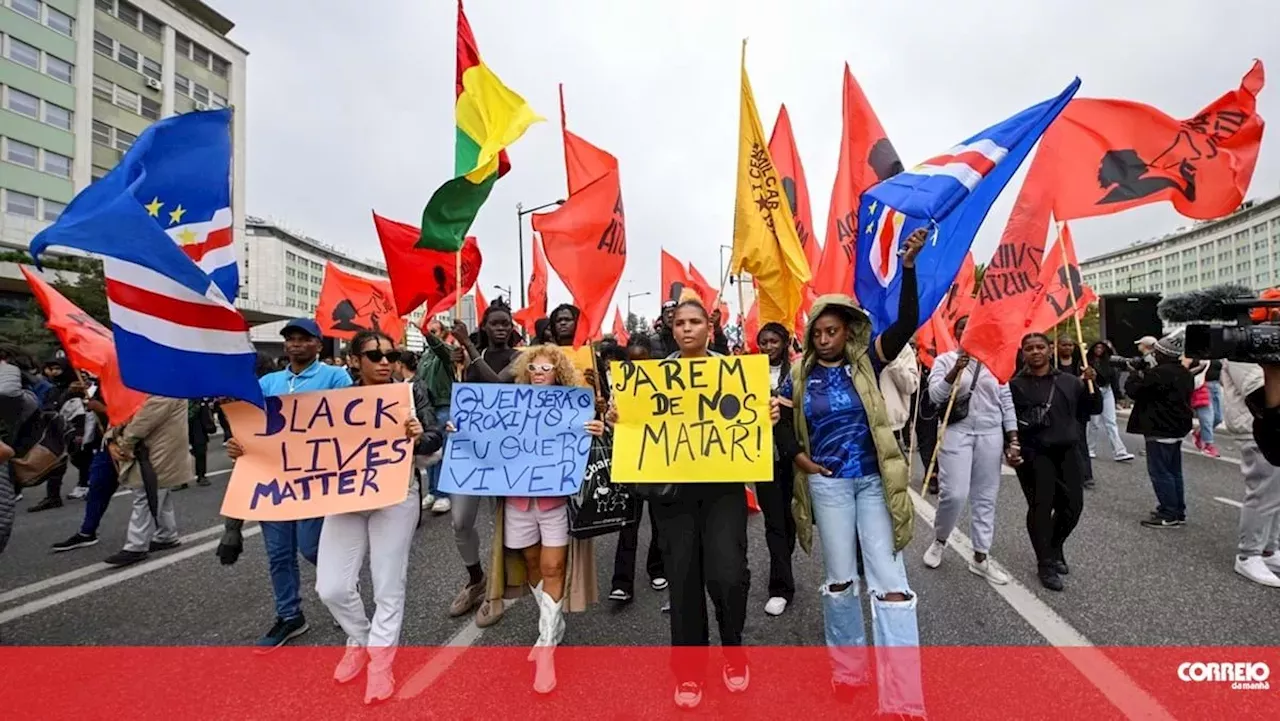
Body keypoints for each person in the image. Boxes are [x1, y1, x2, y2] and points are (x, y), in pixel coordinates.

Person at [776, 227, 926, 717]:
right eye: (818, 332)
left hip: (873, 484)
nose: (824, 339)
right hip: (829, 486)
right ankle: (848, 671)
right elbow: (783, 421)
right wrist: (799, 457)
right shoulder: (798, 374)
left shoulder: (868, 362)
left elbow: (907, 320)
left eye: (832, 331)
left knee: (890, 580)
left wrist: (907, 268)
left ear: (848, 332)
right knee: (840, 580)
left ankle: (903, 699)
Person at [609, 299, 773, 710]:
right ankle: (689, 672)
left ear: (709, 326)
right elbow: (635, 429)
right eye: (679, 322)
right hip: (673, 498)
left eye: (694, 321)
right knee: (683, 582)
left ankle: (733, 649)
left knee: (728, 575)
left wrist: (765, 415)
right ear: (671, 327)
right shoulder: (652, 378)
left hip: (723, 493)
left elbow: (751, 425)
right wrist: (620, 419)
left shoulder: (735, 374)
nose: (686, 329)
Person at [299, 329, 438, 705]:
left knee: (388, 584)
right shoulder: (337, 400)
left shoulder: (411, 392)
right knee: (331, 587)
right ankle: (361, 640)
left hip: (395, 496)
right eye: (374, 356)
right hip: (346, 497)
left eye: (390, 356)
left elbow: (434, 438)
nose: (384, 363)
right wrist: (245, 446)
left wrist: (420, 436)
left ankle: (380, 664)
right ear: (353, 361)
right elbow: (299, 444)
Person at [456, 344, 604, 693]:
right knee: (533, 564)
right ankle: (554, 626)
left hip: (555, 503)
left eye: (546, 368)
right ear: (525, 372)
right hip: (518, 504)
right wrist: (459, 428)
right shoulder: (510, 406)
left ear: (558, 373)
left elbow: (589, 447)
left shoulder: (573, 407)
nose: (539, 373)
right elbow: (485, 437)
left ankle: (546, 645)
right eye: (534, 368)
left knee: (553, 568)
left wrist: (597, 430)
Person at [221, 319, 354, 651]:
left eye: (303, 339)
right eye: (290, 339)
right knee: (279, 554)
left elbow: (350, 418)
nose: (296, 344)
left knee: (312, 548)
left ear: (318, 345)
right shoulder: (268, 382)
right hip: (275, 481)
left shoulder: (336, 378)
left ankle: (342, 598)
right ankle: (289, 615)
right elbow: (251, 428)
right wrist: (237, 443)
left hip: (316, 479)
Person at [923, 316, 1017, 584]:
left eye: (973, 329)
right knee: (954, 494)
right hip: (957, 432)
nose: (969, 333)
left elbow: (1006, 402)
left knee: (985, 496)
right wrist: (954, 371)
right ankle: (940, 540)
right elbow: (935, 397)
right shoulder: (944, 360)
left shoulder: (996, 362)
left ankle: (980, 557)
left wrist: (1013, 438)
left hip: (990, 433)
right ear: (958, 335)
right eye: (963, 330)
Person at [445, 300, 522, 626]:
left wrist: (467, 345)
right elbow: (463, 396)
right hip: (469, 448)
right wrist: (456, 363)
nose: (501, 328)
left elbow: (499, 385)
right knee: (461, 521)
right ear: (485, 327)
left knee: (502, 524)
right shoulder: (469, 355)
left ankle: (497, 592)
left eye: (506, 323)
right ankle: (476, 578)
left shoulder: (521, 357)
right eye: (495, 323)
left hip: (504, 451)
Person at [1006, 333, 1100, 591]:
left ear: (1050, 350)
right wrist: (1010, 448)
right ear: (1023, 353)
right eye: (1029, 348)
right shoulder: (1014, 385)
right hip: (1034, 454)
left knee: (1073, 507)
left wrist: (1093, 385)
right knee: (1041, 507)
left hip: (1068, 452)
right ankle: (1045, 563)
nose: (1035, 352)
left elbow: (1091, 410)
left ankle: (1055, 545)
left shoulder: (1071, 382)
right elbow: (1008, 421)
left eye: (1040, 347)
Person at [608, 339, 668, 604]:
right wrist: (610, 417)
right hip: (630, 462)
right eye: (632, 362)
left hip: (658, 462)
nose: (638, 367)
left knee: (659, 521)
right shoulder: (618, 389)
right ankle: (622, 582)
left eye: (643, 361)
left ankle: (657, 568)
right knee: (627, 523)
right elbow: (613, 425)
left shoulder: (666, 386)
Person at [102, 394, 190, 567]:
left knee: (146, 494)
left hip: (156, 453)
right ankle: (166, 535)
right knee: (159, 494)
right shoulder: (169, 387)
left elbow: (142, 422)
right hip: (160, 450)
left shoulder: (164, 391)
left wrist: (122, 442)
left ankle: (136, 546)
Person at [1219, 359, 1280, 586]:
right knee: (1264, 491)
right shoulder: (1243, 351)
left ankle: (1269, 549)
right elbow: (1257, 390)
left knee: (1276, 495)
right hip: (1257, 426)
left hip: (1272, 424)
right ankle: (1248, 554)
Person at [1125, 332, 1194, 529]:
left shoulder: (1158, 374)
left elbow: (1134, 391)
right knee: (1174, 471)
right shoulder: (1184, 372)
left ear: (1162, 354)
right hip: (1177, 428)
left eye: (1157, 352)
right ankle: (1177, 510)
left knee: (1160, 472)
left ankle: (1168, 513)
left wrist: (1134, 373)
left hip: (1159, 428)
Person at [755, 322, 799, 616]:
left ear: (784, 343)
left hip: (794, 457)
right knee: (774, 523)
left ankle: (783, 559)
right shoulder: (748, 372)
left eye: (773, 341)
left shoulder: (798, 371)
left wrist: (781, 402)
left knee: (790, 518)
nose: (768, 347)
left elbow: (807, 405)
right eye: (763, 342)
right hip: (762, 458)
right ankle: (780, 587)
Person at [417, 319, 458, 515]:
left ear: (442, 333)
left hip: (444, 405)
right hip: (428, 408)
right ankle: (432, 491)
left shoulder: (447, 352)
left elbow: (440, 349)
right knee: (429, 451)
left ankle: (443, 494)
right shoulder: (425, 356)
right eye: (428, 330)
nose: (429, 333)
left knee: (442, 452)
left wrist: (426, 333)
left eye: (433, 331)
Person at [1085, 341, 1134, 463]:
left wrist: (1118, 396)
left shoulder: (1109, 362)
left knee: (1111, 422)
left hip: (1107, 391)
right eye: (1097, 347)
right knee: (1094, 423)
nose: (1099, 349)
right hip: (1093, 391)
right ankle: (1090, 449)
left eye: (1102, 347)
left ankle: (1119, 451)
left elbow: (1114, 380)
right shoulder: (1086, 360)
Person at [879, 343, 918, 454]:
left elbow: (910, 387)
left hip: (891, 426)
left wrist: (893, 359)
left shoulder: (902, 347)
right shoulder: (855, 343)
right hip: (860, 426)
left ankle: (907, 442)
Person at [1189, 361, 1221, 458]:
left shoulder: (1219, 352)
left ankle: (1199, 433)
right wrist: (1200, 367)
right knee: (1207, 418)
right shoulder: (1199, 352)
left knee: (1218, 418)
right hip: (1202, 387)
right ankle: (1208, 445)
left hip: (1216, 385)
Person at [187, 399, 216, 487]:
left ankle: (201, 475)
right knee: (179, 453)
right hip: (181, 424)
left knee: (200, 450)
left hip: (198, 425)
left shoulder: (198, 399)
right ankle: (181, 480)